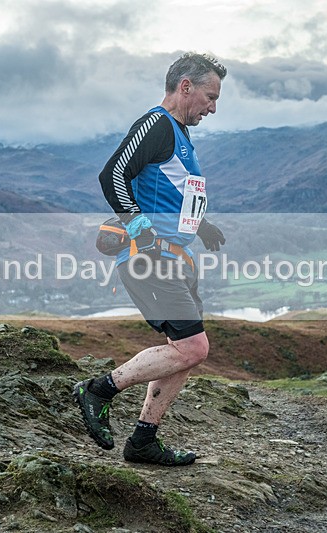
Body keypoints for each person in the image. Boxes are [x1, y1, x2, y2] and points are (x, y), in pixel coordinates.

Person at [73, 52, 228, 466]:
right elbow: (113, 175)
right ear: (185, 87)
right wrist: (141, 228)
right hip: (149, 257)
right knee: (193, 348)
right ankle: (98, 390)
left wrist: (200, 224)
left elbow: (170, 192)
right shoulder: (156, 125)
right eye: (211, 97)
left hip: (175, 257)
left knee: (184, 349)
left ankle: (143, 441)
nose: (213, 108)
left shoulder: (179, 134)